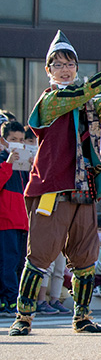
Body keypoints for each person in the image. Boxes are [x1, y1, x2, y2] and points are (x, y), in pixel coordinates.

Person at [10, 31, 101, 336]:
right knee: (39, 255)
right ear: (48, 70)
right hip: (52, 189)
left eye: (69, 64)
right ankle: (23, 316)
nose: (64, 69)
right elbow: (81, 94)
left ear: (76, 67)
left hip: (84, 187)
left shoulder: (85, 101)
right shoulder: (51, 99)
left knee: (85, 256)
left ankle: (82, 315)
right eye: (58, 64)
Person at [1, 120, 31, 316]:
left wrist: (32, 168)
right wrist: (8, 164)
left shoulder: (23, 163)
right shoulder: (3, 159)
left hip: (22, 220)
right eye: (13, 139)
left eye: (21, 140)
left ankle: (16, 298)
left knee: (20, 263)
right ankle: (10, 300)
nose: (18, 143)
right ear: (3, 140)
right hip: (5, 220)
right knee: (8, 262)